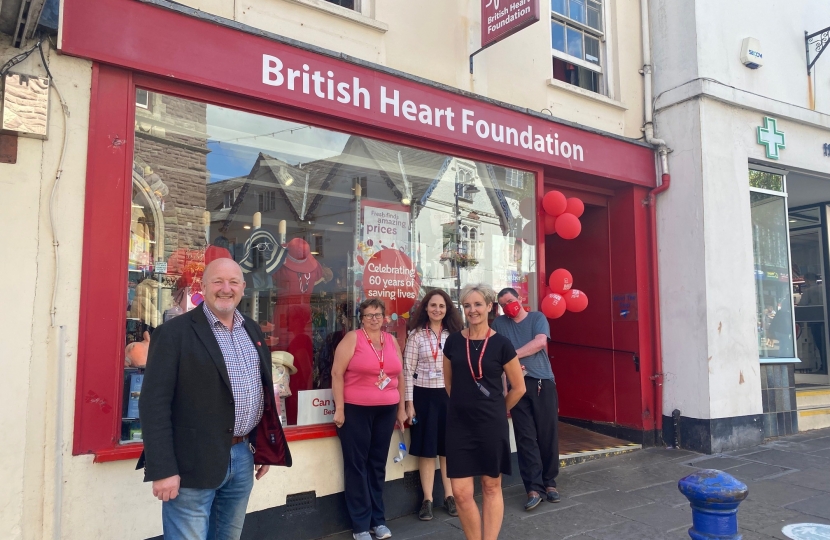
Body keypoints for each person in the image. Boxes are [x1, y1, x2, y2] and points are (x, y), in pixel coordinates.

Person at [138, 258, 292, 540]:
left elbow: (261, 393)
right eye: (218, 281)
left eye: (233, 282)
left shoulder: (252, 330)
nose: (226, 288)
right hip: (190, 463)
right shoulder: (174, 333)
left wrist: (263, 445)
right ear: (204, 286)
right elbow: (153, 404)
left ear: (243, 288)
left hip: (242, 456)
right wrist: (163, 469)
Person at [443, 284, 526, 540]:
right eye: (467, 305)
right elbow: (449, 385)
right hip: (459, 425)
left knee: (491, 486)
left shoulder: (502, 344)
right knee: (460, 492)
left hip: (491, 424)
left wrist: (498, 410)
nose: (472, 310)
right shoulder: (453, 341)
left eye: (478, 304)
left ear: (490, 307)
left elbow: (519, 387)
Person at [331, 299, 407, 540]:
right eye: (369, 315)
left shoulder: (391, 340)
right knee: (357, 467)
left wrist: (401, 408)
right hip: (356, 410)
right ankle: (361, 525)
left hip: (386, 410)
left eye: (378, 314)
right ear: (361, 318)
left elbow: (400, 375)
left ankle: (378, 521)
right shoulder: (353, 339)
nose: (374, 318)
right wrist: (340, 408)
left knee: (377, 465)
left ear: (385, 317)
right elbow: (336, 373)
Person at [492, 287, 559, 511]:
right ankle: (533, 487)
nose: (507, 306)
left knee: (547, 434)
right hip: (516, 387)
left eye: (510, 301)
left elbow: (540, 342)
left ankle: (550, 483)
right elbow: (495, 354)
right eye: (502, 304)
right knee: (525, 437)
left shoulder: (537, 317)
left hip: (542, 383)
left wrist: (511, 356)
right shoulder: (499, 325)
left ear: (520, 299)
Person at [403, 289, 464, 521]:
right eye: (432, 305)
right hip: (424, 397)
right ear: (426, 308)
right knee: (427, 451)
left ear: (447, 309)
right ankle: (427, 499)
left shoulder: (456, 335)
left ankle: (449, 496)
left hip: (449, 396)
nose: (437, 309)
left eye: (441, 306)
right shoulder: (416, 335)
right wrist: (409, 403)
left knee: (447, 449)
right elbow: (408, 371)